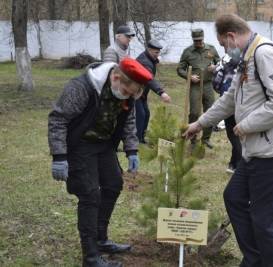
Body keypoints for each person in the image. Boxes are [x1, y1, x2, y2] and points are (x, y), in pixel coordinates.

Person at [184, 14, 273, 266]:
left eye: (224, 45)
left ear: (231, 36)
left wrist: (246, 124)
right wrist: (200, 123)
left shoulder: (264, 54)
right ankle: (255, 258)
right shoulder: (247, 58)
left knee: (264, 218)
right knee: (234, 197)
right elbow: (229, 98)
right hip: (256, 151)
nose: (225, 50)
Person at [48, 58, 152, 267]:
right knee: (90, 195)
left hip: (103, 144)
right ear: (115, 77)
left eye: (132, 94)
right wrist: (59, 156)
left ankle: (100, 239)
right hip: (80, 144)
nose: (128, 96)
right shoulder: (81, 87)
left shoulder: (127, 92)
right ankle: (91, 257)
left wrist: (131, 149)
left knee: (113, 184)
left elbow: (128, 121)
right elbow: (58, 119)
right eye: (127, 91)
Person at [177, 28, 220, 149]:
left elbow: (220, 63)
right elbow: (180, 69)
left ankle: (206, 139)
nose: (198, 43)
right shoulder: (188, 52)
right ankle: (193, 140)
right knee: (195, 112)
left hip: (208, 84)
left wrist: (215, 67)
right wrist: (189, 76)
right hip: (195, 86)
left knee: (210, 112)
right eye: (196, 41)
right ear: (193, 40)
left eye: (200, 40)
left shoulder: (211, 49)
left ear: (203, 38)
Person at [135, 39, 171, 143]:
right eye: (156, 52)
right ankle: (137, 141)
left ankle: (141, 138)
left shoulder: (149, 59)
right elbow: (149, 79)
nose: (158, 55)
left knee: (146, 113)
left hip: (141, 93)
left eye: (159, 52)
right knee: (140, 115)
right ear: (149, 50)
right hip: (135, 92)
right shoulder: (144, 61)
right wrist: (161, 92)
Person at [212, 53, 242, 173]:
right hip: (243, 102)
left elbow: (216, 82)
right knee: (239, 133)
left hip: (228, 102)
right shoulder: (246, 63)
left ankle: (240, 165)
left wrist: (220, 90)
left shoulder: (224, 63)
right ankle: (233, 164)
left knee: (233, 135)